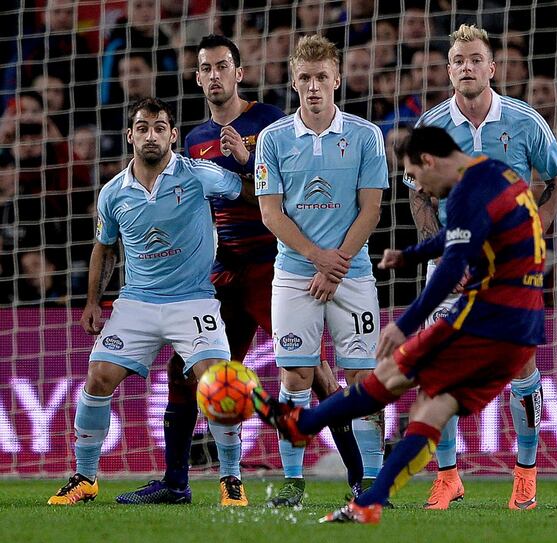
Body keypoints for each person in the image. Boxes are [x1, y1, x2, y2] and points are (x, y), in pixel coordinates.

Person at [253, 125, 548, 524]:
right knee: (435, 404)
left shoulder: (465, 191)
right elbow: (457, 236)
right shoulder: (497, 173)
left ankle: (303, 423)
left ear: (428, 160)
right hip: (522, 327)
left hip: (486, 319)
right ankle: (369, 501)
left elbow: (452, 267)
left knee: (393, 371)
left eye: (417, 175)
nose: (422, 189)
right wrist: (410, 255)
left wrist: (404, 326)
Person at [114, 35, 363, 506]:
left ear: (238, 73)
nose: (214, 75)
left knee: (313, 371)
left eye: (222, 66)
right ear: (197, 78)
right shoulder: (193, 140)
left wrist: (248, 167)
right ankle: (175, 483)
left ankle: (360, 479)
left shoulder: (271, 123)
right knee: (184, 371)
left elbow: (293, 197)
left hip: (274, 266)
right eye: (205, 68)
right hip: (225, 271)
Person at [47, 97, 248, 506]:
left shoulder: (198, 175)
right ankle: (85, 477)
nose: (151, 135)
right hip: (136, 303)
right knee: (97, 379)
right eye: (143, 128)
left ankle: (231, 479)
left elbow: (247, 191)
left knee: (218, 383)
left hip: (193, 301)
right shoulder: (113, 192)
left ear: (173, 135)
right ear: (130, 136)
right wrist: (92, 302)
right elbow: (104, 248)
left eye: (159, 128)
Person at [408, 24, 557, 510]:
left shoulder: (524, 120)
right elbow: (418, 197)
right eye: (458, 61)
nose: (467, 68)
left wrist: (535, 231)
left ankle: (525, 471)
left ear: (492, 68)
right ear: (449, 69)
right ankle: (449, 475)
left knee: (521, 367)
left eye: (476, 59)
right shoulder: (432, 127)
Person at [254, 34, 388, 506]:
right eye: (305, 78)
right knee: (295, 377)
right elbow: (271, 214)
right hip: (294, 274)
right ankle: (293, 483)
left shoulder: (366, 135)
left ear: (337, 80)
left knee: (362, 380)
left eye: (321, 78)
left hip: (352, 274)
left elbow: (370, 211)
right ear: (294, 82)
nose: (313, 87)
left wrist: (335, 267)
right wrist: (317, 258)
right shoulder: (272, 139)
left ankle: (371, 482)